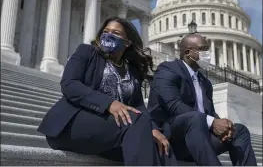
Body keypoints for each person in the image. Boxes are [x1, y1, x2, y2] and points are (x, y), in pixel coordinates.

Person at [37, 17, 178, 166]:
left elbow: (138, 106)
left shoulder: (132, 71)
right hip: (72, 125)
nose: (109, 35)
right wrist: (109, 104)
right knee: (138, 123)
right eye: (106, 31)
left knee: (160, 143)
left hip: (110, 131)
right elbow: (69, 84)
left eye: (116, 33)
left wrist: (153, 128)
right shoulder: (87, 52)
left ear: (128, 42)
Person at [147, 34, 257, 166]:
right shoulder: (168, 69)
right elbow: (174, 106)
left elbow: (209, 112)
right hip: (171, 139)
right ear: (188, 52)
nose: (208, 54)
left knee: (239, 131)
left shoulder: (205, 82)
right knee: (195, 118)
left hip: (200, 138)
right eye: (203, 49)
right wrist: (212, 122)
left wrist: (223, 126)